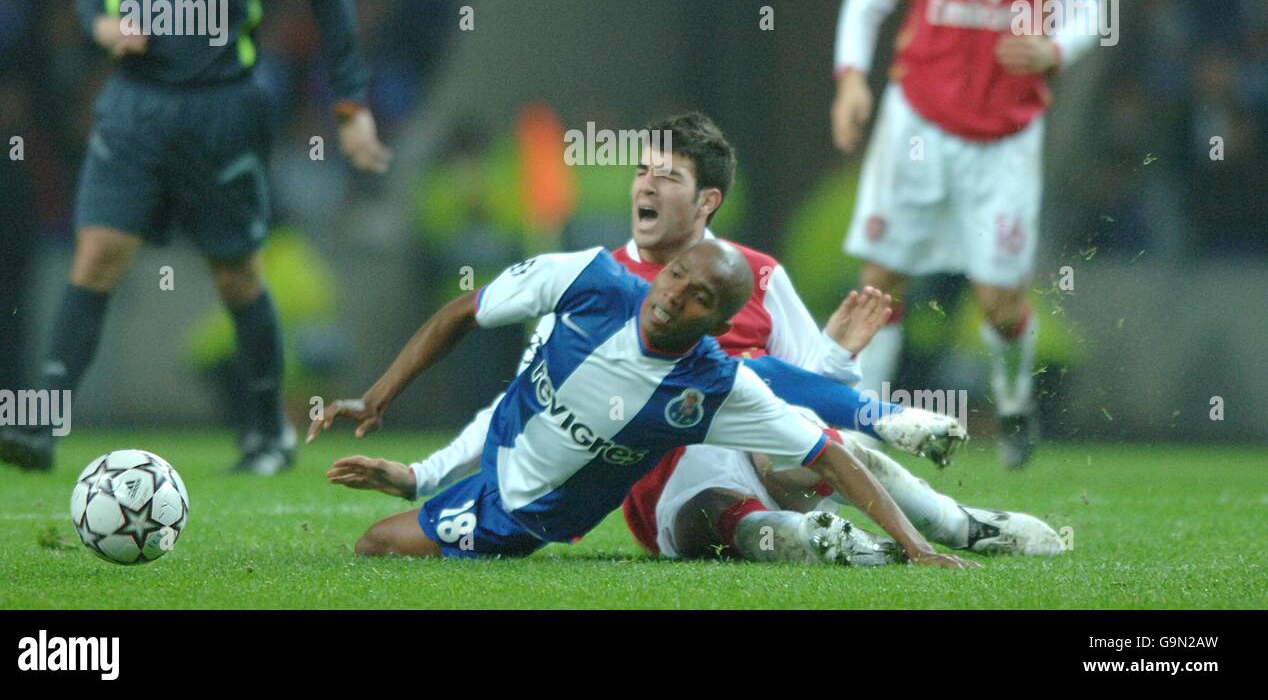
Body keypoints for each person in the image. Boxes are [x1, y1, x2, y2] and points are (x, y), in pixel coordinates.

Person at [319, 113, 1065, 561]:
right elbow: (522, 401)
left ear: (707, 200)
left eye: (665, 176)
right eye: (641, 171)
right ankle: (815, 539)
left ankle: (959, 526)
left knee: (814, 434)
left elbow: (807, 397)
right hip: (666, 486)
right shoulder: (594, 280)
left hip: (762, 451)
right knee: (717, 490)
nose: (643, 186)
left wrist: (837, 360)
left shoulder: (756, 281)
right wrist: (425, 472)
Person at [0, 0, 390, 474]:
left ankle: (267, 431)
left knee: (237, 274)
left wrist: (350, 107)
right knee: (97, 254)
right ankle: (42, 423)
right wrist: (101, 25)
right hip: (135, 105)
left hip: (224, 107)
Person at [309, 239, 976, 568]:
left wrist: (913, 546)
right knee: (375, 544)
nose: (677, 293)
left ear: (717, 324)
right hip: (493, 469)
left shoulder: (711, 385)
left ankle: (942, 521)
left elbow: (828, 456)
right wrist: (378, 395)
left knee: (376, 547)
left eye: (700, 298)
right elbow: (463, 311)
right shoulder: (590, 280)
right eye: (678, 274)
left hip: (518, 519)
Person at [830, 0, 1103, 467]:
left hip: (1006, 137)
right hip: (916, 119)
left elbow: (1088, 11)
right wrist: (852, 77)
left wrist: (1053, 47)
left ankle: (1013, 406)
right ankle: (866, 426)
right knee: (880, 281)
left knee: (1002, 305)